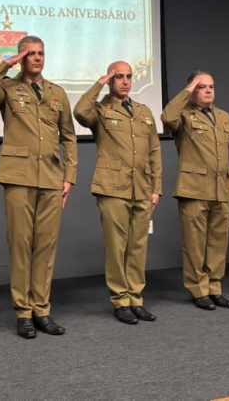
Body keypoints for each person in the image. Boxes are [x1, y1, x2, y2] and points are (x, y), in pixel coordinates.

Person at [0, 35, 77, 339]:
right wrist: (5, 66)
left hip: (51, 177)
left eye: (41, 53)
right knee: (20, 246)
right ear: (20, 57)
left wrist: (68, 176)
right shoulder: (7, 87)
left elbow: (68, 136)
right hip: (18, 176)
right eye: (30, 54)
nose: (37, 58)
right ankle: (23, 312)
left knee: (45, 247)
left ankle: (42, 310)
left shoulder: (57, 93)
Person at [74, 61, 161, 324]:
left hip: (141, 187)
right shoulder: (100, 110)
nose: (124, 81)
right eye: (118, 77)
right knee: (116, 247)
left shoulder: (144, 112)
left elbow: (154, 152)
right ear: (111, 80)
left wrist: (156, 188)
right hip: (112, 187)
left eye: (128, 77)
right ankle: (120, 300)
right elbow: (80, 112)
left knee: (138, 247)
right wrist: (99, 83)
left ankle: (136, 298)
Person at [161, 71, 229, 310]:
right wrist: (187, 90)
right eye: (201, 87)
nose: (208, 90)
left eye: (211, 86)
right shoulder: (183, 116)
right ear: (192, 90)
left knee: (218, 243)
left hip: (221, 189)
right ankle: (198, 289)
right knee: (194, 244)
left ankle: (214, 286)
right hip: (194, 189)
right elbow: (166, 116)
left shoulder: (224, 117)